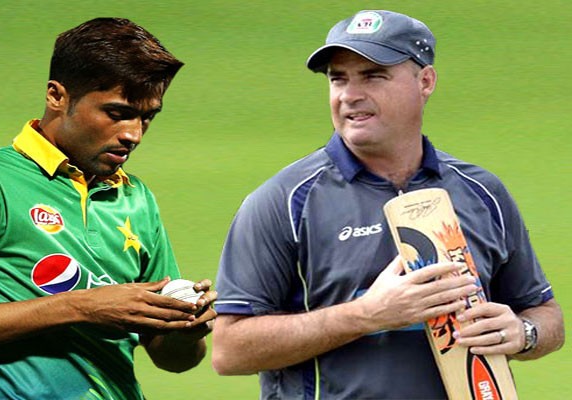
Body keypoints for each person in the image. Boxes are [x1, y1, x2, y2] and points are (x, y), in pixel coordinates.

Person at [211, 9, 564, 399]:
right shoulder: (285, 201)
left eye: (373, 76)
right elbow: (229, 350)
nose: (349, 95)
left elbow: (545, 315)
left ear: (425, 81)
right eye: (338, 78)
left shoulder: (481, 192)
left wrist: (524, 333)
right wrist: (365, 315)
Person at [0, 17, 217, 400]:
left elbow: (175, 360)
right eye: (117, 113)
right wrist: (81, 307)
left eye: (147, 117)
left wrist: (185, 329)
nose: (134, 134)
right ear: (57, 96)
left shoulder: (136, 197)